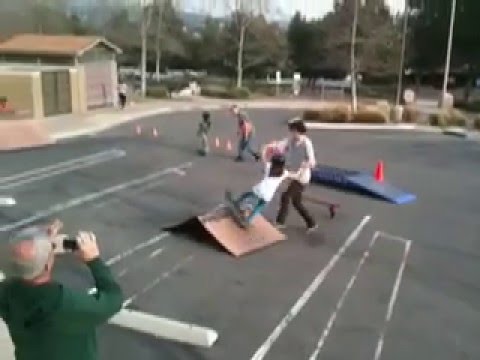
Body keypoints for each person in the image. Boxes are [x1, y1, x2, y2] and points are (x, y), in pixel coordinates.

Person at [0, 220, 123, 360]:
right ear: (47, 266)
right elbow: (114, 298)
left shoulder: (6, 292)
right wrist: (93, 260)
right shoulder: (66, 305)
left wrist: (41, 242)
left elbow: (20, 262)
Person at [229, 152, 304, 224]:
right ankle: (249, 219)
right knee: (259, 207)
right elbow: (296, 175)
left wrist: (266, 149)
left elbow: (263, 157)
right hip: (268, 195)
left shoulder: (269, 166)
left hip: (259, 189)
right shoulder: (284, 173)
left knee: (247, 194)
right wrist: (302, 168)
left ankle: (238, 202)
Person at [274, 119, 318, 233]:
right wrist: (273, 147)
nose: (292, 134)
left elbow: (313, 162)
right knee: (296, 202)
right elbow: (280, 146)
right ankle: (312, 223)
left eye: (293, 131)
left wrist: (305, 165)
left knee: (286, 196)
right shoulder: (290, 140)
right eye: (291, 131)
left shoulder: (306, 143)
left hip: (302, 177)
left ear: (299, 131)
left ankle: (280, 223)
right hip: (292, 174)